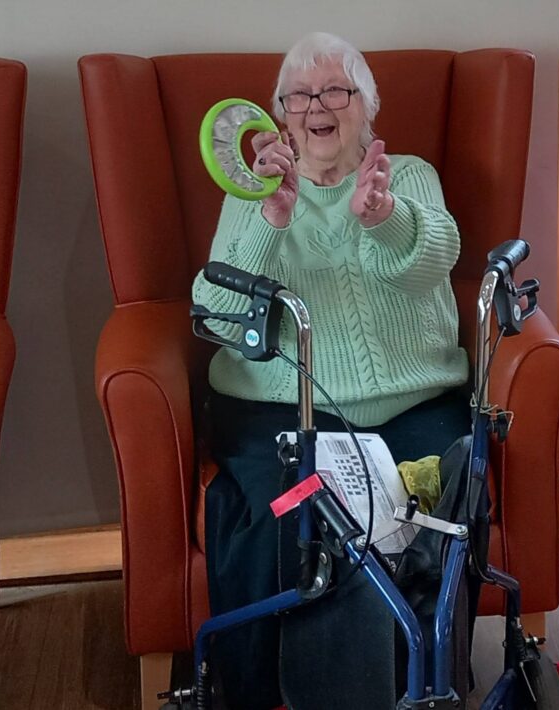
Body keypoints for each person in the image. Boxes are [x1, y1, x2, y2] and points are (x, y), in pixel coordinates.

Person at [192, 33, 470, 709]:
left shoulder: (405, 176)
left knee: (421, 512)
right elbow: (219, 316)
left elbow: (435, 257)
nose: (318, 105)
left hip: (412, 403)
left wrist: (382, 217)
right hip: (280, 407)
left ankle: (419, 680)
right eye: (300, 96)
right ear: (281, 115)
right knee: (303, 515)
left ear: (367, 107)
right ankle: (271, 691)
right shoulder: (250, 192)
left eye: (337, 90)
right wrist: (270, 217)